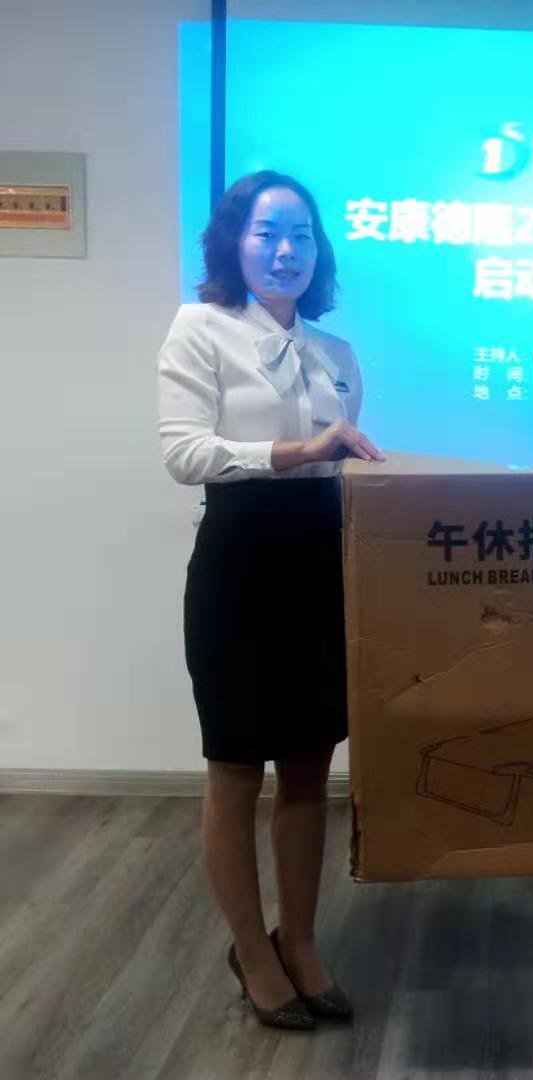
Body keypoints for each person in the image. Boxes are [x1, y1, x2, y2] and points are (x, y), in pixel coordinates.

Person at [157, 171, 383, 1030]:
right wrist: (296, 452)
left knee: (308, 765)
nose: (286, 250)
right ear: (234, 241)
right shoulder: (200, 328)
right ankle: (251, 950)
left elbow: (342, 462)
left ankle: (302, 940)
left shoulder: (337, 354)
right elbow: (184, 454)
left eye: (301, 234)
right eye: (267, 232)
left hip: (319, 565)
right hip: (240, 564)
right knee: (233, 768)